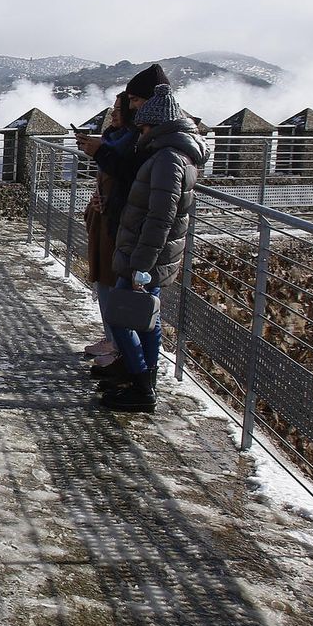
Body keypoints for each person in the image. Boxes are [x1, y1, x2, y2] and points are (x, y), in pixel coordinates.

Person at [102, 83, 210, 412]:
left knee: (120, 316)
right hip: (150, 255)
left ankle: (141, 383)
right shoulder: (173, 155)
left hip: (147, 256)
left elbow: (161, 217)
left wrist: (141, 267)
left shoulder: (168, 159)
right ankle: (145, 382)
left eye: (146, 127)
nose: (142, 132)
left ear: (160, 126)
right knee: (148, 318)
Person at [75, 92, 139, 372]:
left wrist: (100, 151)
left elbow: (129, 180)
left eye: (118, 109)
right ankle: (112, 339)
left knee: (116, 284)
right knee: (103, 280)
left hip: (120, 224)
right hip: (105, 219)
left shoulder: (133, 144)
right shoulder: (115, 138)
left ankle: (120, 348)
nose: (112, 115)